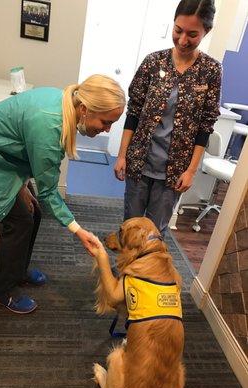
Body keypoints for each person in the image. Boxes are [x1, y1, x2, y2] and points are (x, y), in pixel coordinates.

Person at [0, 74, 125, 314]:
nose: (107, 130)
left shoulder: (64, 100)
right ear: (84, 109)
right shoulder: (50, 124)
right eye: (105, 122)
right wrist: (78, 230)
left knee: (35, 213)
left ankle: (17, 271)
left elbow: (24, 150)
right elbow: (49, 191)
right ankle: (1, 291)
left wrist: (20, 185)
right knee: (19, 221)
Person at [114, 0, 222, 234]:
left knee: (155, 233)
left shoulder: (211, 71)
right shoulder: (153, 62)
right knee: (130, 227)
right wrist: (122, 155)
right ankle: (124, 270)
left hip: (174, 170)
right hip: (139, 161)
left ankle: (147, 272)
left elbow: (206, 126)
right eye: (178, 30)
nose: (183, 40)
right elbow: (134, 112)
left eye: (192, 34)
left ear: (207, 31)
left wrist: (191, 170)